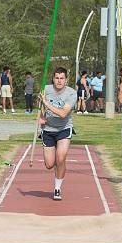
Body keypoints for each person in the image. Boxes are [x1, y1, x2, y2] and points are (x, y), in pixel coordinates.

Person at [37, 67, 77, 201]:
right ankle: (58, 166)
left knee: (61, 158)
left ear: (66, 80)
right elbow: (40, 106)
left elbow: (63, 114)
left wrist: (46, 103)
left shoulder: (71, 93)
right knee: (49, 165)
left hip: (64, 129)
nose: (59, 81)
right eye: (57, 78)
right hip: (48, 130)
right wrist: (41, 116)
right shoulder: (46, 89)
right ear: (53, 79)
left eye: (62, 78)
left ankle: (57, 188)